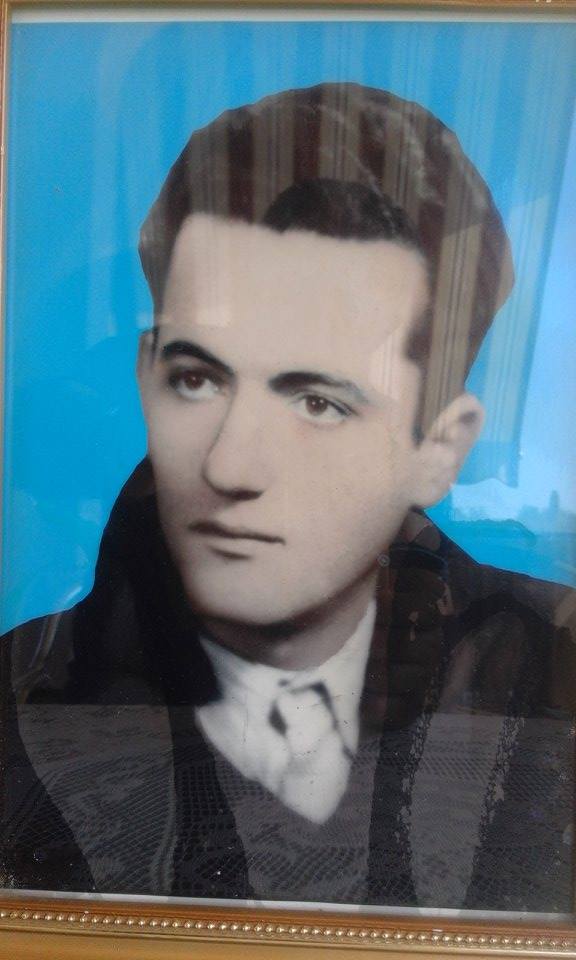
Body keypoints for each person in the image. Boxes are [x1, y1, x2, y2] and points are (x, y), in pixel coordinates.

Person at [2, 83, 574, 911]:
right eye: (197, 379)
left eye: (319, 401)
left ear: (439, 449)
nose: (231, 465)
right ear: (146, 378)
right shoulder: (22, 692)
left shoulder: (552, 670)